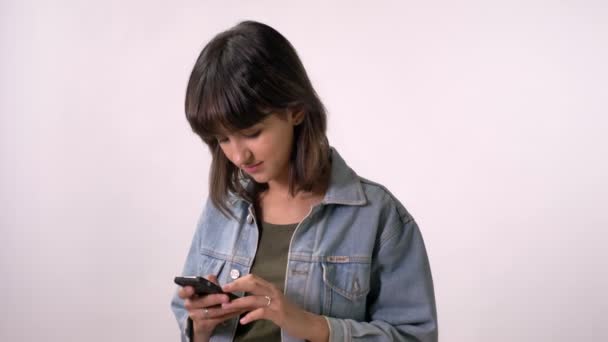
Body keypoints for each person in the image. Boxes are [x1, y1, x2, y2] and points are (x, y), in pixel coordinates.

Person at [170, 20, 438, 342]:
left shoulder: (378, 217)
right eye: (222, 139)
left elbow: (416, 336)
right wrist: (200, 326)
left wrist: (309, 324)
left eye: (252, 133)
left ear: (295, 110)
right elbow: (189, 328)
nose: (239, 156)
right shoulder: (223, 210)